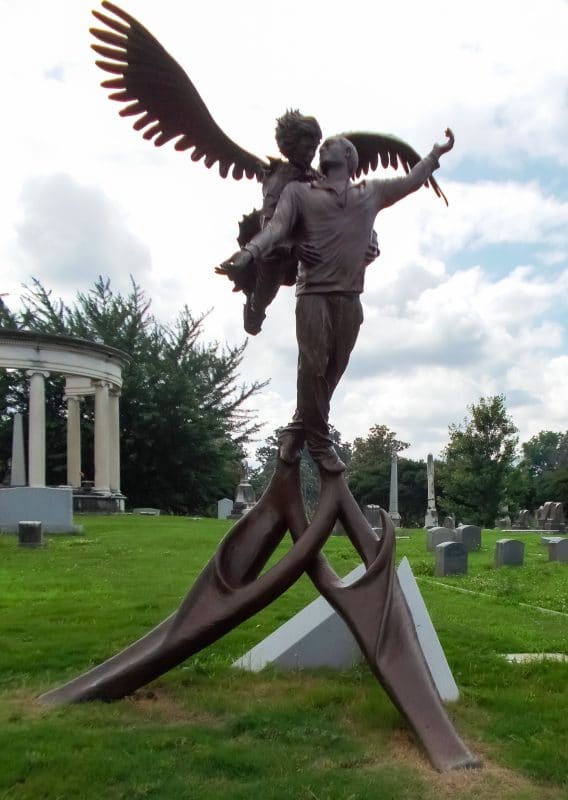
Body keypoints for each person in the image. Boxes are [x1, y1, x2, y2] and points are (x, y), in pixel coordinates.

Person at [217, 129, 454, 472]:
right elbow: (276, 228)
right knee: (311, 366)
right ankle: (320, 442)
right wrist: (248, 252)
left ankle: (296, 431)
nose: (326, 145)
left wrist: (435, 153)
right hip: (312, 293)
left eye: (335, 145)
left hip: (350, 297)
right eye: (324, 145)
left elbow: (412, 180)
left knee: (334, 368)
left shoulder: (371, 192)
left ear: (349, 158)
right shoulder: (298, 192)